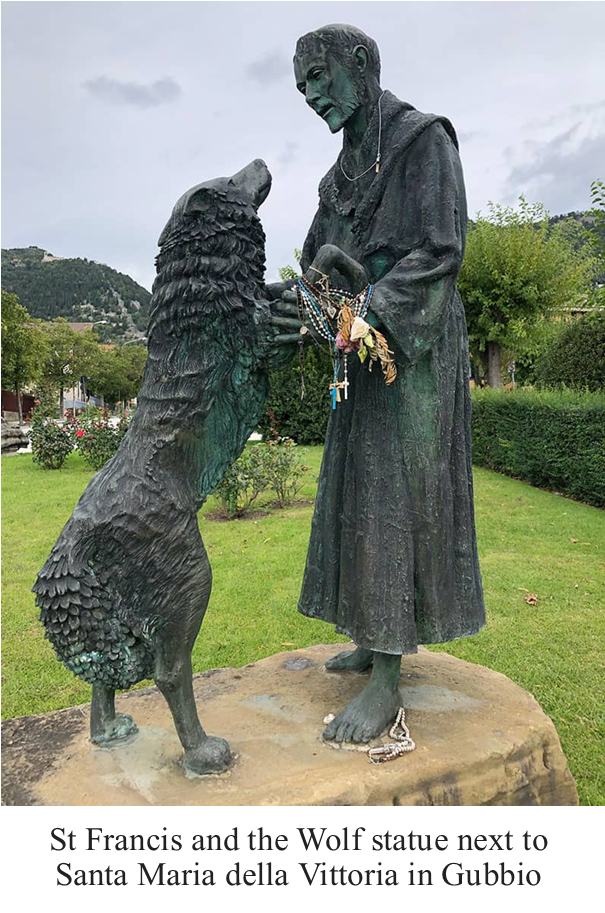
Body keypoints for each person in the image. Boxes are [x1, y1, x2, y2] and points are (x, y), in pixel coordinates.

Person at [269, 24, 485, 744]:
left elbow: (442, 249)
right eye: (301, 86)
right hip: (358, 350)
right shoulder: (338, 177)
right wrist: (300, 306)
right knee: (354, 489)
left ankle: (388, 678)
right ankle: (370, 634)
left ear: (358, 64)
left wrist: (373, 309)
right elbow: (316, 262)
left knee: (394, 494)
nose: (310, 95)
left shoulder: (423, 141)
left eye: (318, 78)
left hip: (412, 349)